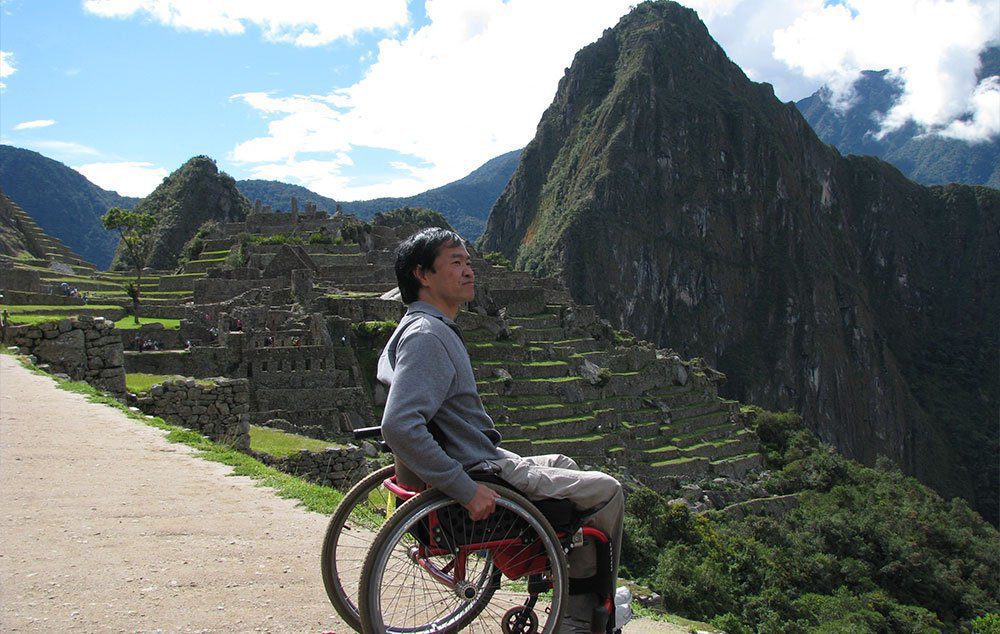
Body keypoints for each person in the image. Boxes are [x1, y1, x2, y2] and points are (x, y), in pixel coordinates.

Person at [378, 228, 625, 634]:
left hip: (476, 459)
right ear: (423, 274)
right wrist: (464, 488)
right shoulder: (428, 336)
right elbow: (399, 425)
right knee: (608, 491)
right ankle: (580, 620)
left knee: (564, 463)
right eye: (456, 262)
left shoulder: (416, 327)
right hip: (479, 471)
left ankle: (560, 581)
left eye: (469, 262)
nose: (469, 270)